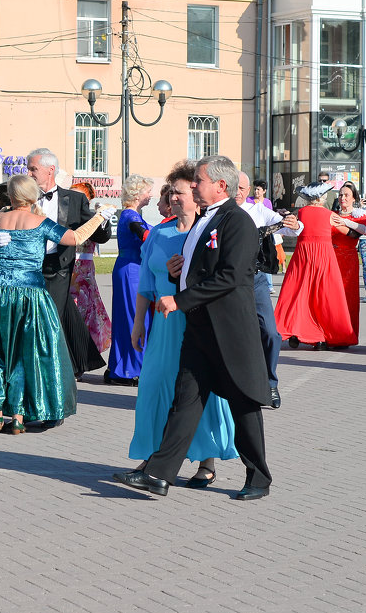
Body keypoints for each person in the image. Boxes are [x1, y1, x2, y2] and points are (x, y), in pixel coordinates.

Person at [112, 155, 272, 501]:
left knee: (244, 404)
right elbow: (200, 269)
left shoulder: (237, 222)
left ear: (220, 185)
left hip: (229, 331)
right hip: (199, 330)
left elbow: (232, 276)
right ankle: (158, 474)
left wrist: (179, 300)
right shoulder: (205, 221)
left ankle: (258, 477)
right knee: (186, 402)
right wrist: (175, 273)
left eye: (198, 181)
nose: (193, 185)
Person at [0, 174, 113, 433]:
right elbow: (75, 238)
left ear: (11, 196)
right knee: (26, 352)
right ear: (32, 195)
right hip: (30, 294)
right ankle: (19, 416)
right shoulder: (41, 222)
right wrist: (99, 217)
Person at [126, 161, 238, 487]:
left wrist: (184, 275)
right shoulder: (158, 233)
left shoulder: (208, 231)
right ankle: (153, 456)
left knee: (198, 393)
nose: (173, 198)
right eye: (170, 192)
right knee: (153, 388)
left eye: (178, 192)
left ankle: (207, 460)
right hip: (162, 325)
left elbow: (221, 278)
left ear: (196, 193)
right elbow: (146, 284)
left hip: (196, 323)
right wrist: (137, 326)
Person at [25, 148, 110, 381]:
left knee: (50, 315)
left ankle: (55, 364)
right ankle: (75, 361)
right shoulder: (24, 198)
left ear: (50, 170)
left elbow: (98, 235)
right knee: (59, 314)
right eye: (28, 168)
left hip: (58, 268)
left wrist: (103, 221)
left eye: (33, 168)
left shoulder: (74, 199)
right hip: (29, 267)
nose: (29, 173)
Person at [236, 171, 302, 408]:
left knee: (271, 333)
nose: (239, 192)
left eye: (243, 188)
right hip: (229, 283)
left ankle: (270, 383)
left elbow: (289, 228)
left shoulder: (257, 210)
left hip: (256, 279)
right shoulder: (218, 211)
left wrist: (295, 223)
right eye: (236, 186)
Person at [274, 182, 353, 350]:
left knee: (298, 293)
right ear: (320, 198)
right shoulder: (329, 214)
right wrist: (353, 224)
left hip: (302, 255)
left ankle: (295, 330)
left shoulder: (299, 213)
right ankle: (321, 335)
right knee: (324, 296)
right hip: (324, 257)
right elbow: (349, 233)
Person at [106, 174, 154, 386]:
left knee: (132, 317)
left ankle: (122, 367)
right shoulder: (129, 215)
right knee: (134, 318)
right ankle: (128, 369)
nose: (150, 195)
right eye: (147, 192)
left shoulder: (132, 214)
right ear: (137, 194)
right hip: (130, 271)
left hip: (133, 269)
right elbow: (143, 234)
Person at [68, 182, 111, 354]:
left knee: (84, 311)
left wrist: (103, 219)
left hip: (83, 272)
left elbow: (103, 236)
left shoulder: (93, 218)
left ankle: (83, 353)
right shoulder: (64, 215)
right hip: (66, 270)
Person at [328, 183, 366, 349]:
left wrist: (346, 222)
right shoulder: (333, 214)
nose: (343, 198)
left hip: (348, 260)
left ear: (354, 197)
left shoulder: (358, 215)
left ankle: (345, 335)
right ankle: (330, 334)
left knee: (346, 297)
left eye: (346, 195)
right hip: (331, 259)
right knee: (331, 297)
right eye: (340, 195)